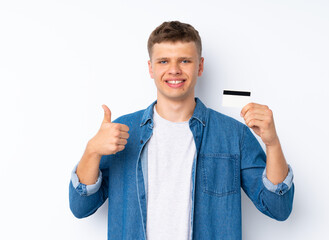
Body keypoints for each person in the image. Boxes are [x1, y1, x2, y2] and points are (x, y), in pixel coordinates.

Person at [69, 20, 294, 240]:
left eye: (185, 61)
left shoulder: (234, 134)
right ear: (150, 68)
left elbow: (278, 208)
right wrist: (92, 151)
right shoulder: (122, 131)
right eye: (163, 61)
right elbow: (81, 207)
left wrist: (272, 143)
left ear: (200, 66)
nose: (174, 70)